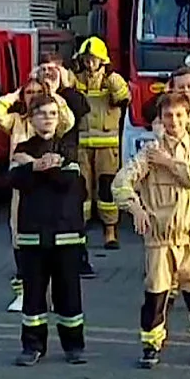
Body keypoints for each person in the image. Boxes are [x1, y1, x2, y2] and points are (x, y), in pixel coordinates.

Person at [114, 92, 190, 367]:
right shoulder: (149, 153)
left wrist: (168, 163)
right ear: (160, 119)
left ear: (188, 118)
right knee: (156, 296)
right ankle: (151, 346)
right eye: (168, 116)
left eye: (179, 115)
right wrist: (135, 208)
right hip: (160, 239)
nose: (173, 121)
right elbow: (120, 183)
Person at [10, 94, 88, 366]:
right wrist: (37, 166)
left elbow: (68, 181)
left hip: (66, 233)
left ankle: (73, 346)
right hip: (32, 234)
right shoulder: (21, 147)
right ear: (31, 119)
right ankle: (32, 346)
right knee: (33, 295)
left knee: (68, 294)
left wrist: (35, 166)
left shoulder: (68, 147)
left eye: (52, 113)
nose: (47, 118)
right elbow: (17, 180)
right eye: (41, 113)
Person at [0, 78, 76, 312]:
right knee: (19, 237)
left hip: (53, 192)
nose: (32, 95)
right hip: (24, 187)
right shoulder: (16, 121)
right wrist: (14, 95)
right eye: (29, 92)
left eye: (38, 91)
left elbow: (67, 118)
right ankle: (22, 291)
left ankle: (55, 296)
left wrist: (54, 93)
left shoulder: (55, 122)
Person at [34, 52, 95, 278]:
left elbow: (81, 109)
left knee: (72, 212)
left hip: (67, 159)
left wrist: (64, 86)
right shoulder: (34, 95)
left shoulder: (71, 95)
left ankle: (79, 259)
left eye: (53, 70)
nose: (49, 75)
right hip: (38, 160)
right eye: (45, 70)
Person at [72, 36, 131, 250]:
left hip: (107, 146)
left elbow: (124, 99)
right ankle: (81, 228)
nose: (89, 64)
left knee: (107, 188)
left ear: (102, 60)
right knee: (82, 188)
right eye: (86, 59)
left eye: (93, 59)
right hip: (82, 145)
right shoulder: (75, 80)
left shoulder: (112, 80)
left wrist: (113, 80)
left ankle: (110, 231)